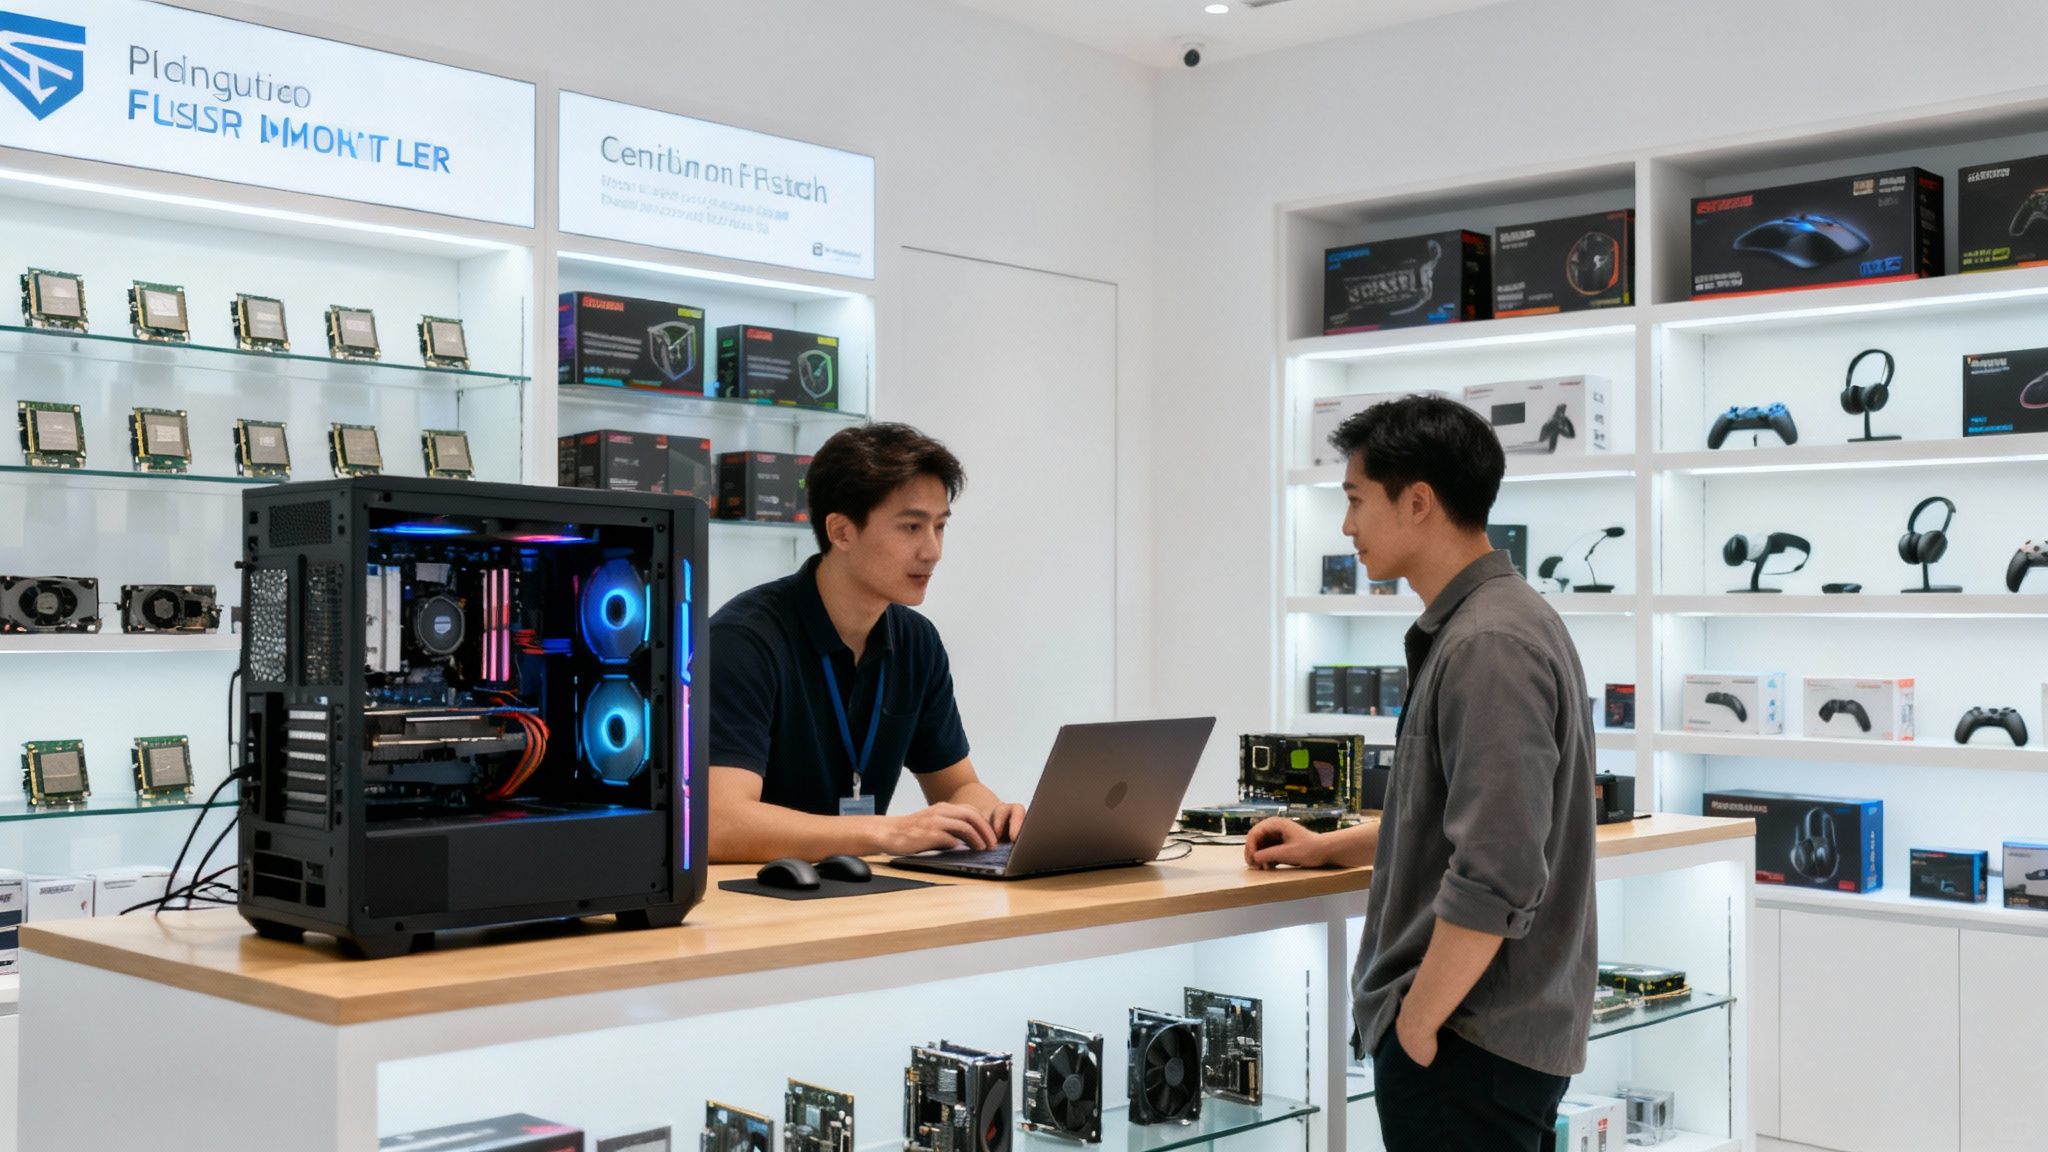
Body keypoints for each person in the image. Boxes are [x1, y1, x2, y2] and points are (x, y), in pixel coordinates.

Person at [1243, 395, 1597, 1150]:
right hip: (1484, 1040)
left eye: (1355, 500)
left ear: (1418, 503)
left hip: (1467, 1041)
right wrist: (1327, 846)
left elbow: (1497, 871)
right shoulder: (1499, 623)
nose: (1347, 527)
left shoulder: (1487, 645)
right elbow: (1456, 821)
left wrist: (1419, 1023)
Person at [707, 422, 1026, 863]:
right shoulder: (743, 642)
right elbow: (719, 824)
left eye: (939, 527)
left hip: (858, 889)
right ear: (840, 532)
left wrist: (992, 815)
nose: (933, 551)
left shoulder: (917, 641)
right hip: (750, 901)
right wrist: (887, 832)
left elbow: (957, 786)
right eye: (912, 527)